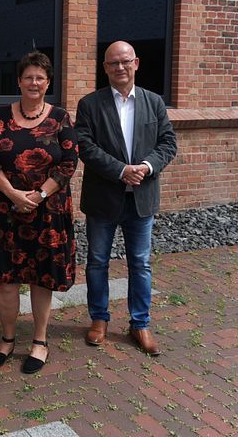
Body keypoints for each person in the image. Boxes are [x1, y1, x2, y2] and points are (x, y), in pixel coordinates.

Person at [74, 40, 177, 356]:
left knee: (141, 263)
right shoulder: (90, 104)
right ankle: (99, 319)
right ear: (105, 68)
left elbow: (168, 144)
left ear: (136, 63)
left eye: (125, 61)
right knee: (97, 261)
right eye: (113, 63)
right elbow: (85, 147)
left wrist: (145, 167)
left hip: (141, 199)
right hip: (104, 197)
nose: (119, 67)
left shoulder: (154, 102)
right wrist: (121, 170)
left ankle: (140, 323)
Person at [0, 51, 79, 374]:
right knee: (6, 280)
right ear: (19, 81)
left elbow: (68, 163)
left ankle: (39, 340)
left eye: (40, 77)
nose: (34, 82)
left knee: (41, 278)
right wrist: (12, 194)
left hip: (47, 212)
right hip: (5, 211)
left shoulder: (61, 117)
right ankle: (7, 339)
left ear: (48, 82)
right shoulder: (0, 115)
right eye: (28, 77)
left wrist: (37, 195)